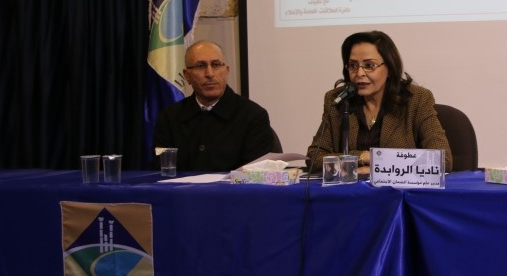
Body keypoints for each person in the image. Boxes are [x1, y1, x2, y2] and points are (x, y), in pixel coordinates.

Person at [306, 31, 453, 174]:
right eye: (353, 65)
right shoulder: (338, 100)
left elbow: (442, 160)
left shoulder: (416, 99)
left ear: (390, 67)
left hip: (399, 189)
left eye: (369, 66)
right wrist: (362, 157)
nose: (359, 73)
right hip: (351, 189)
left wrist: (378, 166)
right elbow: (314, 158)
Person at [152, 40, 277, 171]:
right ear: (187, 76)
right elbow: (161, 169)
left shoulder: (253, 116)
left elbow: (255, 174)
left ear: (226, 71)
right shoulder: (170, 117)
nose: (210, 74)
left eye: (216, 65)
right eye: (200, 66)